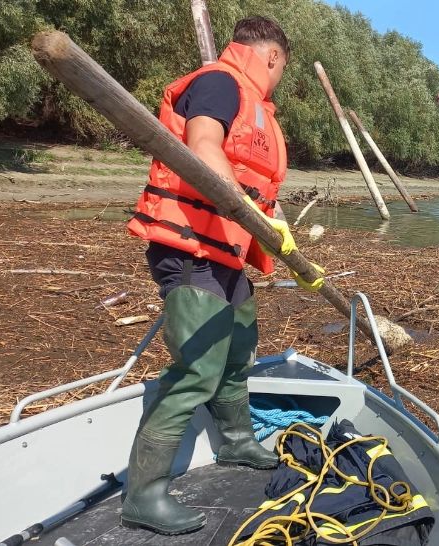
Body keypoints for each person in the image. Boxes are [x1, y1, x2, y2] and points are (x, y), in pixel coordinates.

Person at [123, 16, 323, 535]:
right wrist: (253, 213)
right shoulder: (220, 83)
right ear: (273, 57)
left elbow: (253, 187)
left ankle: (236, 441)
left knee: (238, 351)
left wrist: (279, 239)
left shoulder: (250, 99)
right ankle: (143, 495)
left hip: (225, 255)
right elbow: (204, 145)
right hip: (192, 252)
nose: (278, 79)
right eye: (281, 69)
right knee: (198, 369)